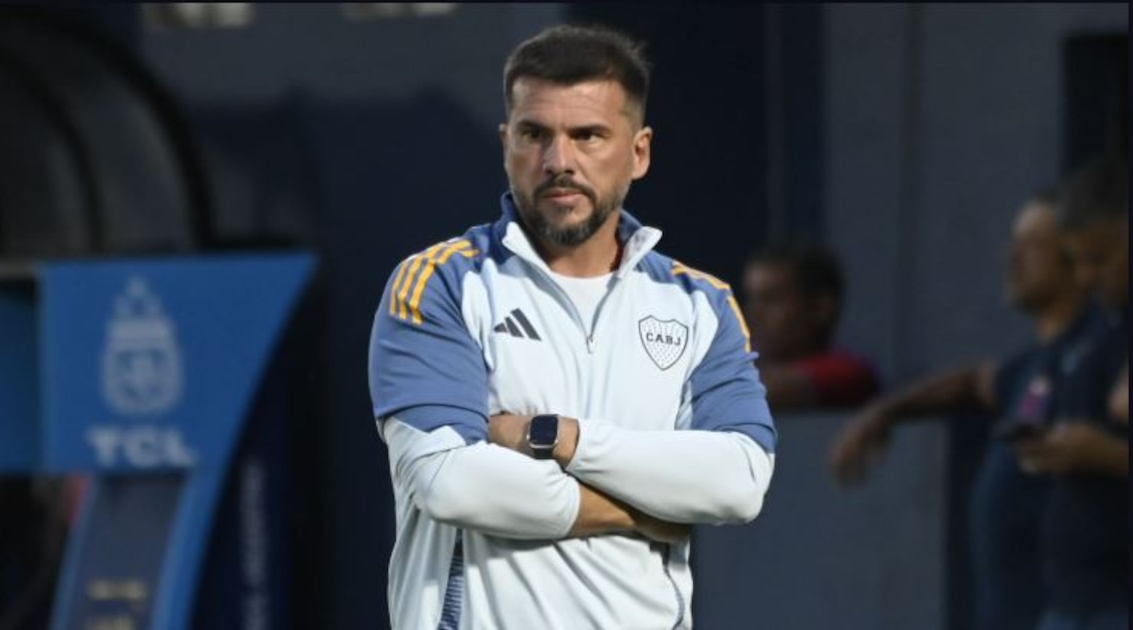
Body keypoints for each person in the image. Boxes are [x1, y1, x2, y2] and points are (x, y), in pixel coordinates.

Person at [368, 25, 775, 629]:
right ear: (506, 144)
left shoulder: (700, 303)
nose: (559, 162)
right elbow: (448, 483)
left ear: (638, 152)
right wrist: (638, 509)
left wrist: (559, 438)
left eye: (588, 135)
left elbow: (739, 480)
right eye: (535, 134)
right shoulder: (439, 283)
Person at [827, 191, 1090, 630]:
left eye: (1033, 244)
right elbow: (970, 381)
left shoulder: (1091, 354)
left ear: (1077, 254)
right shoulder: (1031, 366)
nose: (1013, 257)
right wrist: (883, 412)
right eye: (1013, 242)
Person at [1015, 156, 1128, 630]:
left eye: (1099, 258)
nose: (1085, 277)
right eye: (1075, 260)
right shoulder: (1098, 331)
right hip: (1072, 598)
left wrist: (1110, 456)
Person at [742, 243, 879, 409]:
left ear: (820, 309)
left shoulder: (848, 372)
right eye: (752, 299)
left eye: (771, 300)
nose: (755, 313)